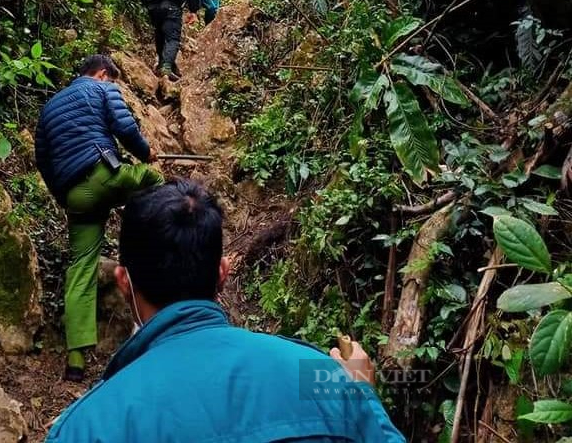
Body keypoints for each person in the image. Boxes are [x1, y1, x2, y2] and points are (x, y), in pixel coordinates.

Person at [46, 179, 406, 442]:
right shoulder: (324, 380)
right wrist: (358, 389)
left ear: (124, 282)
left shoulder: (85, 428)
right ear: (222, 273)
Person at [35, 54, 164, 382]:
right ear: (103, 73)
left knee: (81, 266)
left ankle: (75, 361)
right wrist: (145, 153)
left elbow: (43, 160)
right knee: (153, 181)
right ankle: (156, 250)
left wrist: (64, 196)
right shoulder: (101, 89)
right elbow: (124, 126)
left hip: (75, 195)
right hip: (104, 173)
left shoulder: (49, 108)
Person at [141, 0, 200, 81]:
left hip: (153, 9)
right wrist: (193, 10)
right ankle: (166, 68)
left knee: (160, 35)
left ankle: (164, 65)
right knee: (172, 38)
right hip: (171, 7)